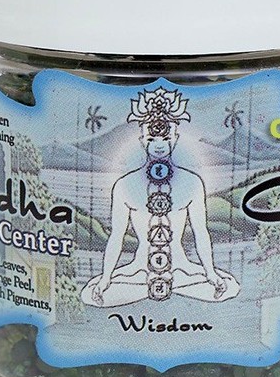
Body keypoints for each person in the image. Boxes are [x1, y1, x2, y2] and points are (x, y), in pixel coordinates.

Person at [81, 87, 240, 307]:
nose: (159, 145)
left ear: (175, 138)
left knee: (227, 288)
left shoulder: (193, 182)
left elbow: (201, 233)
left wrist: (210, 273)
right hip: (139, 270)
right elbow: (116, 236)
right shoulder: (123, 186)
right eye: (152, 138)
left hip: (181, 268)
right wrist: (106, 278)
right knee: (94, 294)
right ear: (142, 140)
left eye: (165, 137)